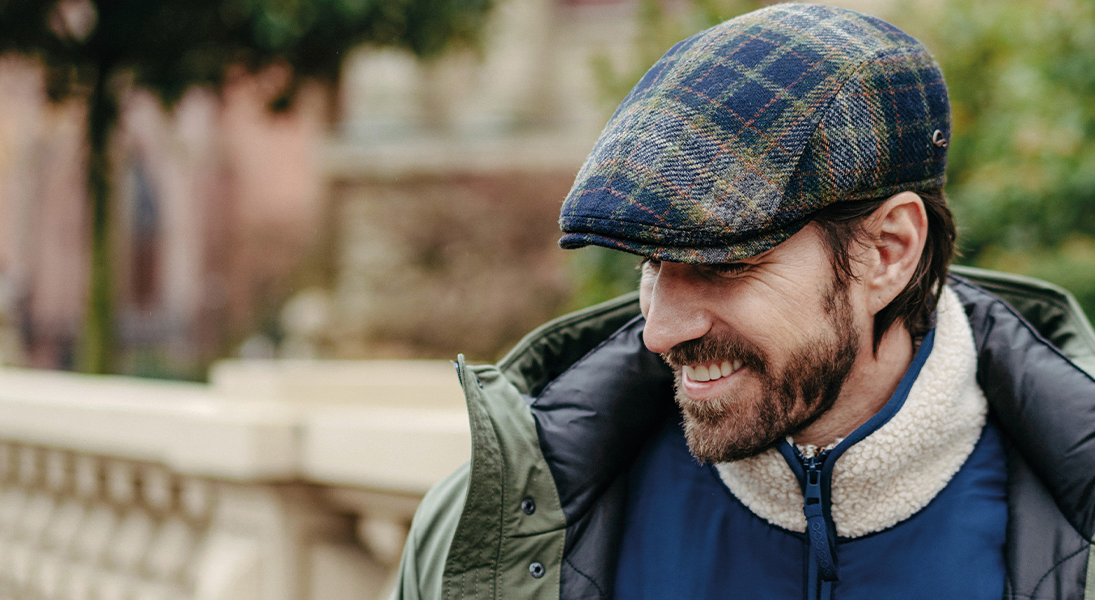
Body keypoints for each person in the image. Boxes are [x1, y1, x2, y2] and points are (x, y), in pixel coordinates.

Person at [392, 4, 1095, 600]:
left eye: (724, 265)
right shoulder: (486, 534)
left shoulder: (1072, 523)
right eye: (651, 261)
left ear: (888, 252)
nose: (659, 333)